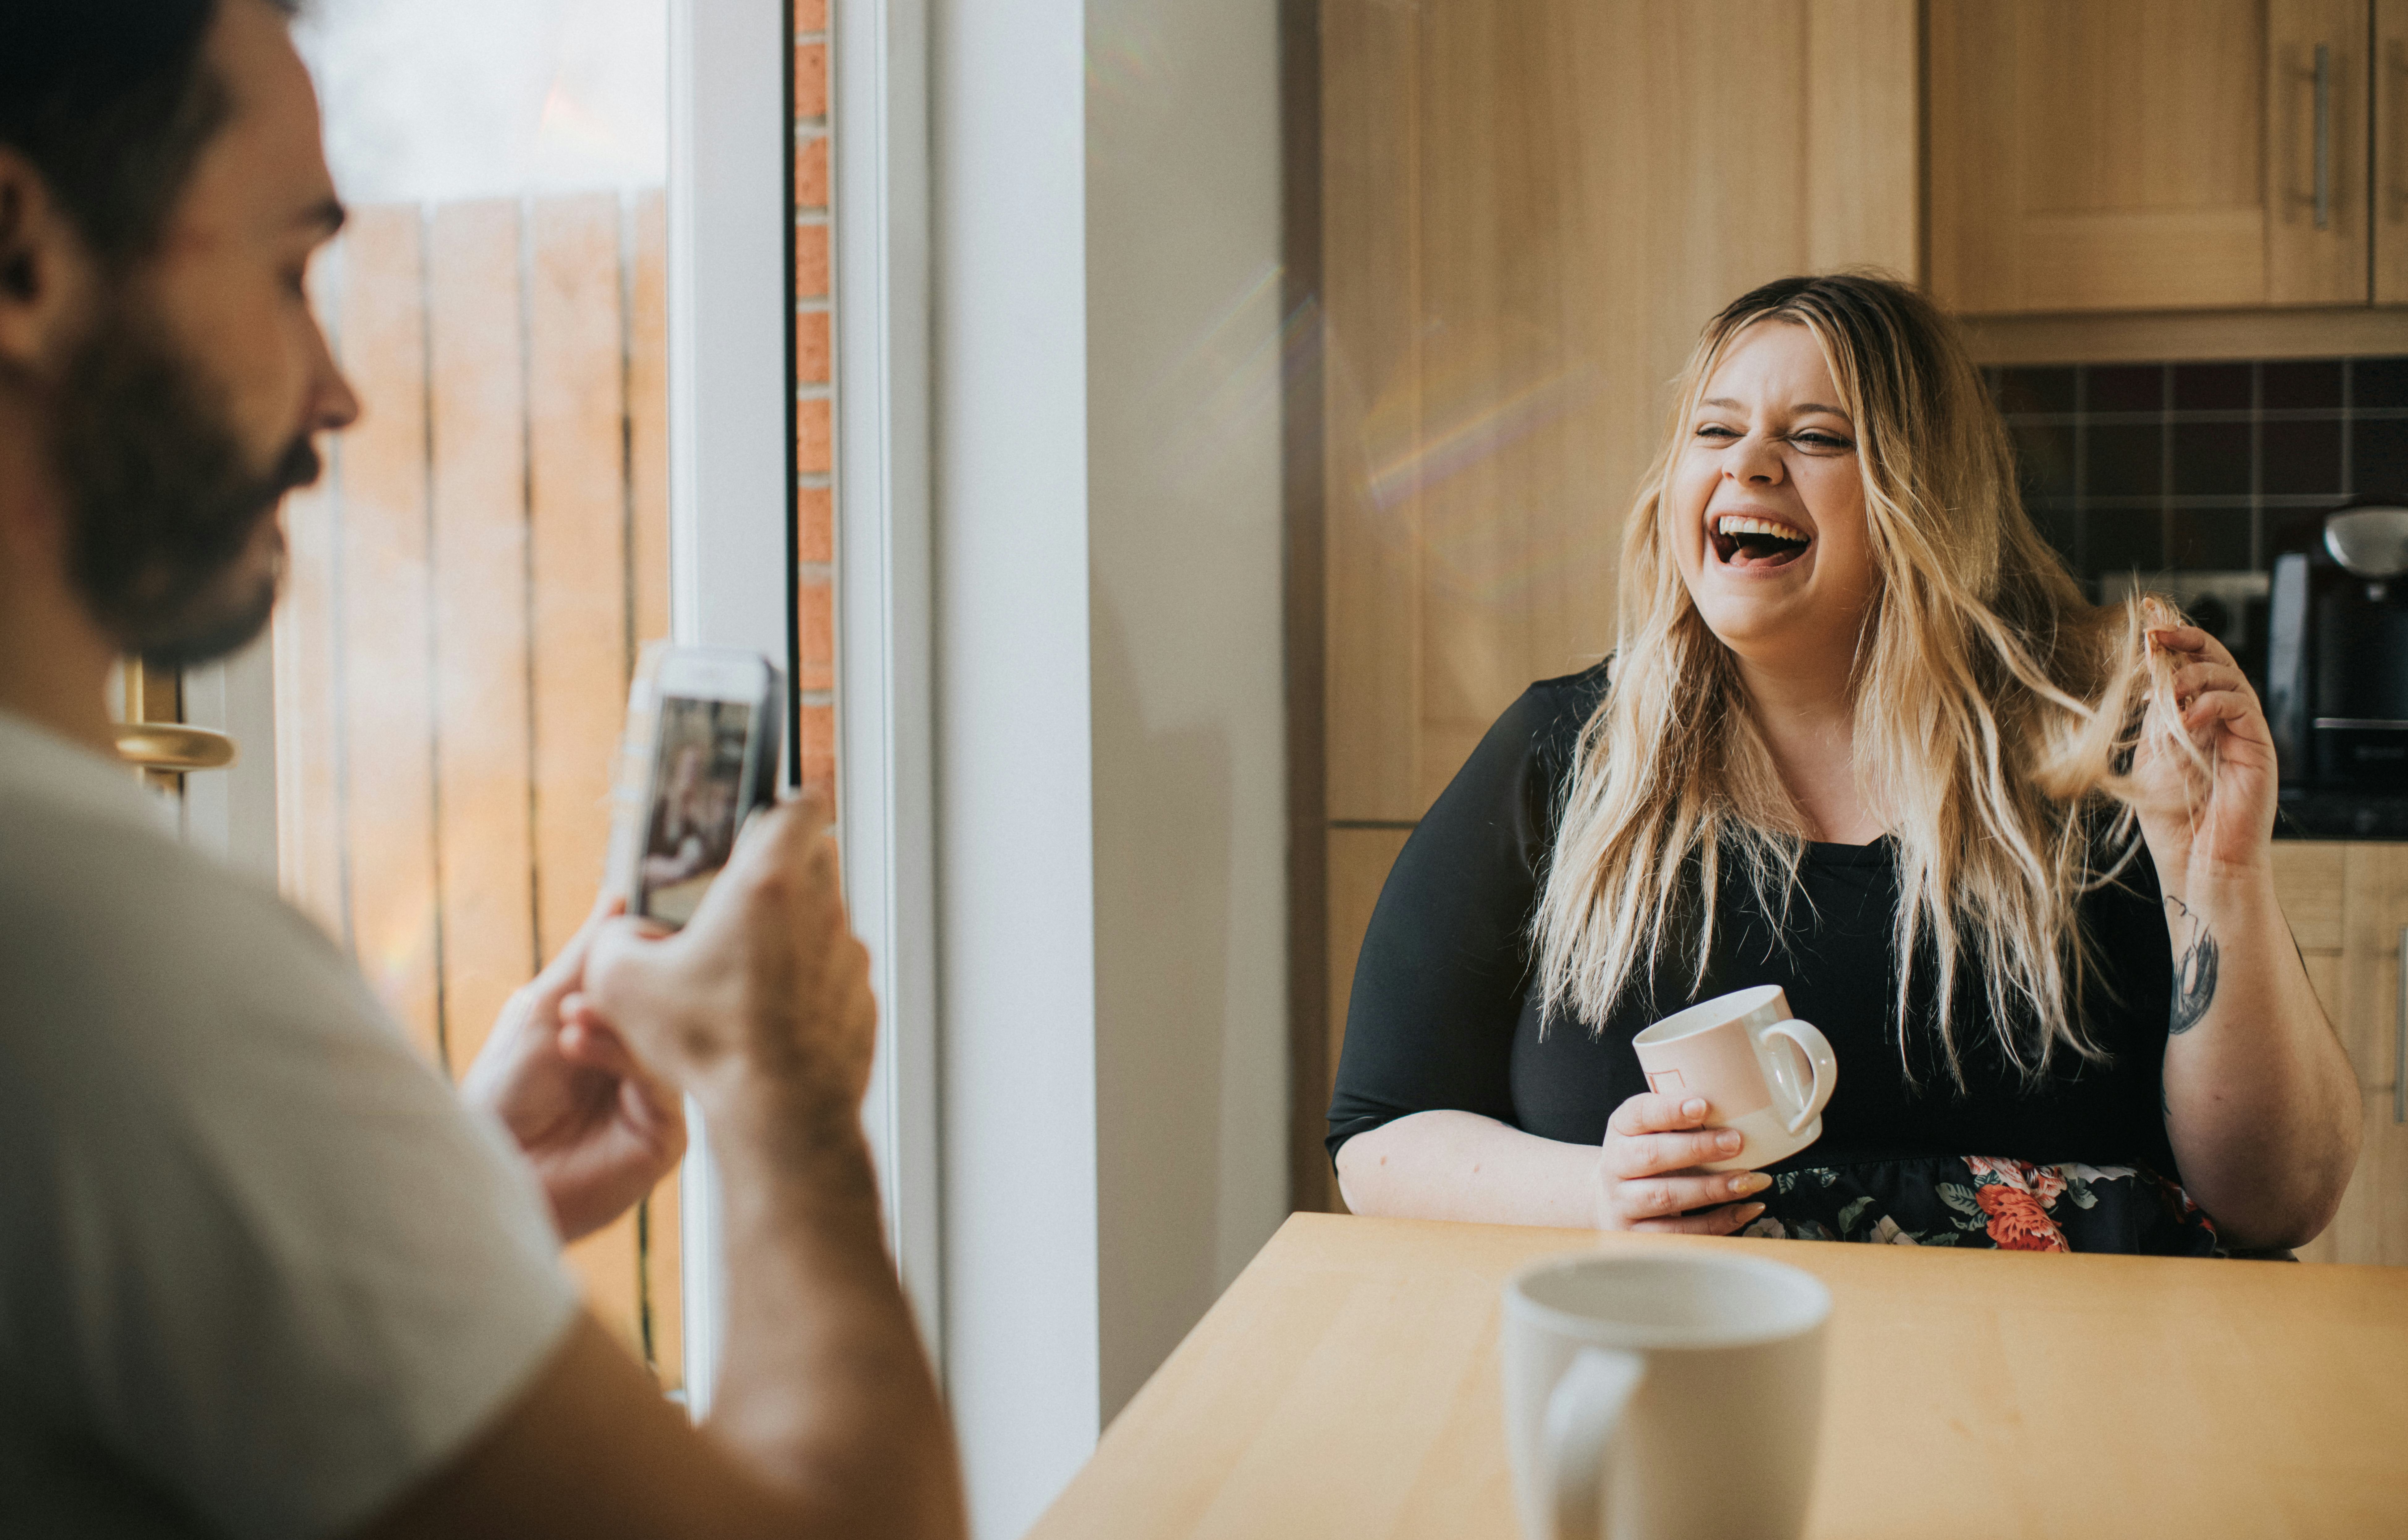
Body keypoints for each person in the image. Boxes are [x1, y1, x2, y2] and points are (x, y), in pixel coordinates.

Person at [0, 3, 965, 1537]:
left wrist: (449, 1194)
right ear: (24, 255)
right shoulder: (112, 967)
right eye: (289, 268)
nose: (338, 389)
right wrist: (783, 1104)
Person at [1328, 272, 2362, 1256]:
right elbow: (1377, 1138)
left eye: (1816, 436)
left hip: (2045, 1393)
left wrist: (2218, 877)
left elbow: (2277, 1204)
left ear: (1932, 500)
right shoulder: (1560, 757)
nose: (1750, 464)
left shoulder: (2102, 767)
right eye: (1716, 429)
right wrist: (1598, 1195)